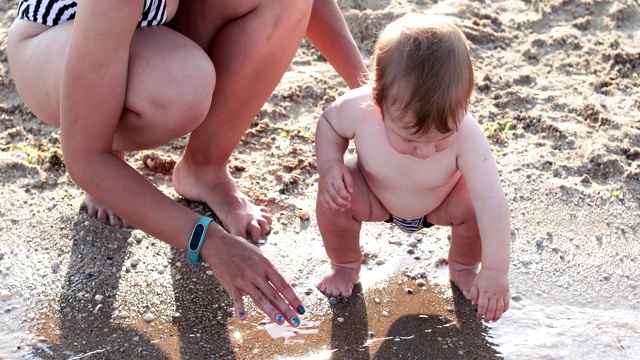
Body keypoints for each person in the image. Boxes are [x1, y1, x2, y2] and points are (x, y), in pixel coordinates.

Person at [7, 0, 366, 326]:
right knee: (179, 86)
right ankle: (101, 137)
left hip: (147, 24)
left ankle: (204, 169)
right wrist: (207, 240)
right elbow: (84, 159)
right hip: (54, 40)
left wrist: (372, 96)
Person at [314, 12, 511, 322]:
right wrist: (330, 166)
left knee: (474, 204)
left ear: (463, 107)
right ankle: (344, 265)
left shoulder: (468, 134)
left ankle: (462, 266)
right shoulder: (360, 109)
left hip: (441, 201)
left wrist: (496, 271)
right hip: (374, 194)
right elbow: (329, 124)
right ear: (378, 102)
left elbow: (492, 201)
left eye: (442, 138)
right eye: (410, 138)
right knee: (337, 197)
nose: (425, 152)